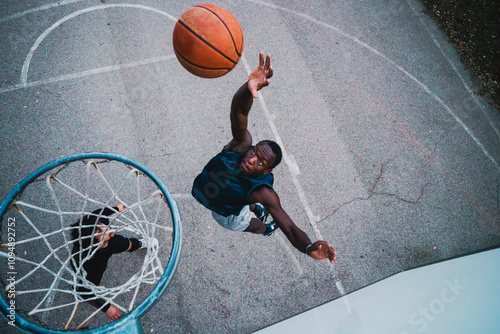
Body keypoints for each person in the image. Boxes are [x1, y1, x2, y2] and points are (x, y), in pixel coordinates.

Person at [192, 52, 336, 263]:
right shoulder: (240, 146)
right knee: (246, 200)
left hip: (226, 213)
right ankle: (252, 207)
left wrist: (307, 247)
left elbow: (290, 227)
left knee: (249, 223)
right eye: (254, 153)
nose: (251, 159)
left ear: (266, 171)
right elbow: (238, 109)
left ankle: (266, 228)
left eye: (260, 162)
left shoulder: (263, 192)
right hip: (219, 193)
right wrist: (248, 87)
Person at [70, 204, 156, 320]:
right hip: (86, 263)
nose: (105, 228)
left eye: (100, 225)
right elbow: (87, 290)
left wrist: (115, 208)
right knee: (90, 284)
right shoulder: (93, 265)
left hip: (78, 258)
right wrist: (107, 308)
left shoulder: (93, 225)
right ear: (94, 244)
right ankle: (78, 290)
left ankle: (140, 244)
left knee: (127, 244)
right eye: (101, 233)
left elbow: (98, 213)